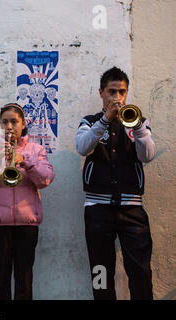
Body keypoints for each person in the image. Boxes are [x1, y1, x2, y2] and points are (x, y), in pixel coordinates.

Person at [75, 67, 156, 300]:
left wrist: (138, 127)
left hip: (132, 209)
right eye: (112, 92)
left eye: (122, 92)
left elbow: (147, 155)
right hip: (97, 211)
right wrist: (104, 120)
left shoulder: (138, 122)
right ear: (101, 93)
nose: (117, 98)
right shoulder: (89, 122)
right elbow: (82, 147)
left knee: (140, 270)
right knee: (100, 271)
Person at [0, 103, 54, 300]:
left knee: (24, 278)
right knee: (0, 277)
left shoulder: (36, 150)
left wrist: (24, 161)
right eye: (4, 122)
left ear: (23, 124)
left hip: (27, 224)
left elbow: (46, 179)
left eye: (14, 121)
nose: (9, 126)